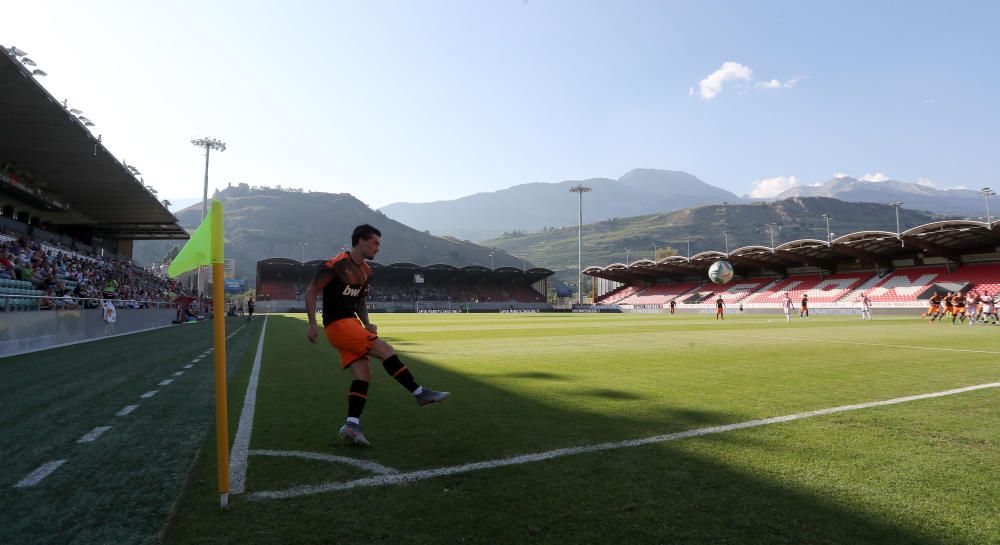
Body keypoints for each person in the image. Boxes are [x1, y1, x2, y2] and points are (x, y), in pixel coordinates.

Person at [305, 224, 449, 447]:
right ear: (361, 241)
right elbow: (312, 290)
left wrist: (367, 323)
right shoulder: (336, 265)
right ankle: (420, 393)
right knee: (386, 350)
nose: (378, 248)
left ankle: (351, 425)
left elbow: (360, 301)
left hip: (352, 324)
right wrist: (312, 323)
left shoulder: (366, 271)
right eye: (375, 243)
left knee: (363, 374)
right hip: (337, 325)